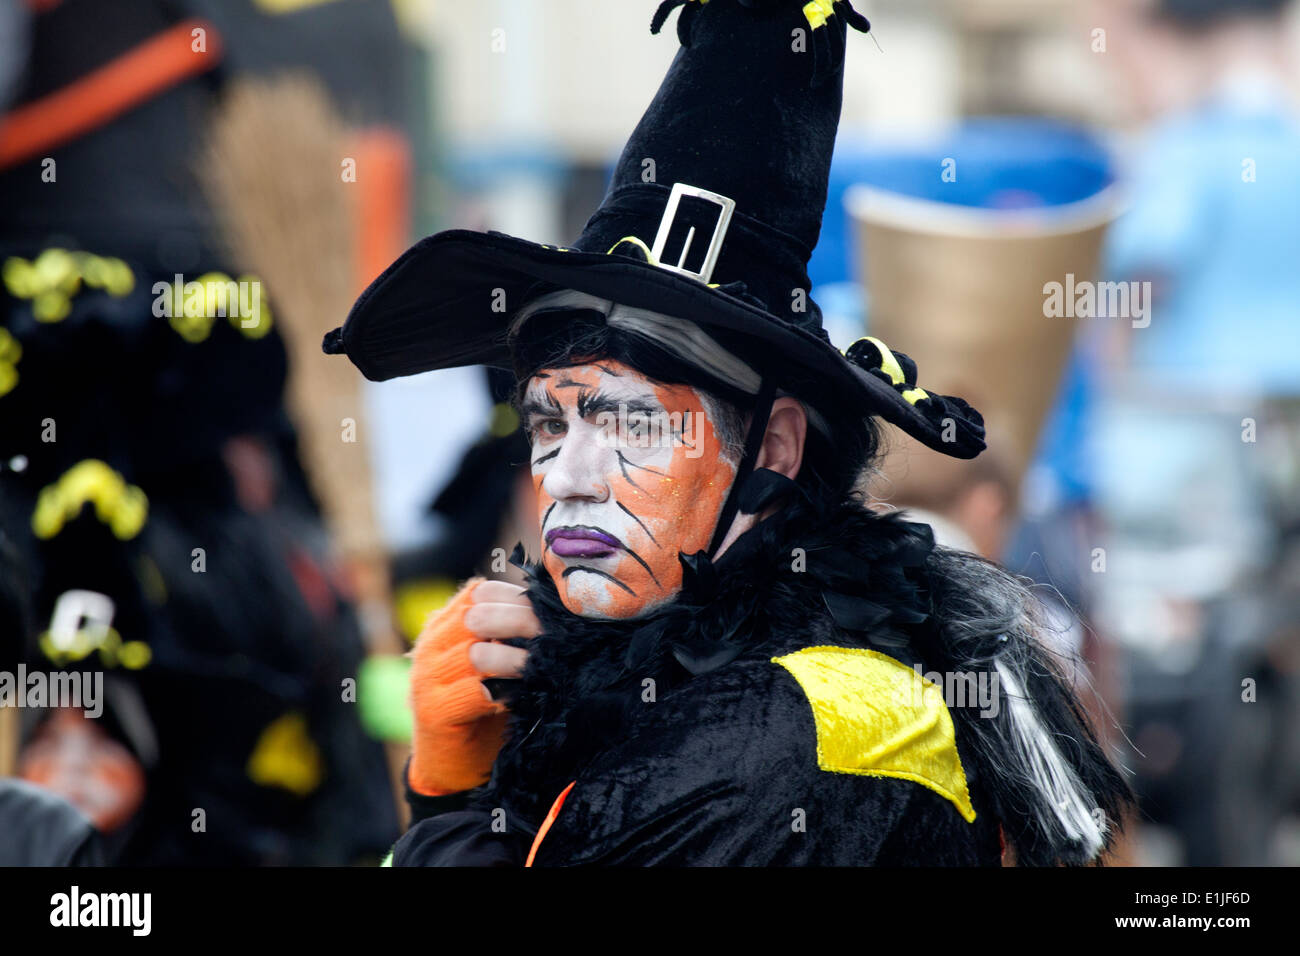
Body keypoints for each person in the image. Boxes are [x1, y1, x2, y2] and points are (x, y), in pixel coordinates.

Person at [326, 0, 1133, 866]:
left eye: (631, 420)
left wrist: (449, 799)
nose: (567, 476)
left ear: (776, 448)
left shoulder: (779, 735)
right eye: (549, 421)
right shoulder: (670, 679)